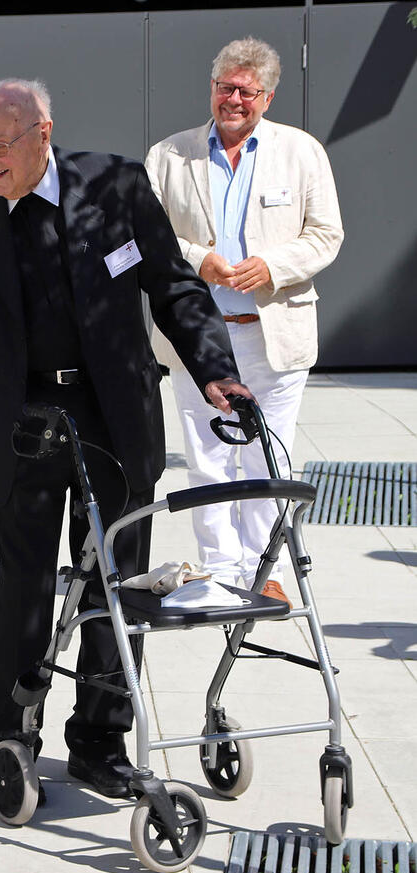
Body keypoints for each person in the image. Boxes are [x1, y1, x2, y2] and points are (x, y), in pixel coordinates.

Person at [0, 79, 251, 800]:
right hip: (21, 420)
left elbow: (172, 285)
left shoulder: (117, 186)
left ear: (43, 133)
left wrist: (216, 370)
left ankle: (100, 739)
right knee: (25, 583)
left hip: (112, 414)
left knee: (117, 583)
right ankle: (12, 731)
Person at [145, 37, 343, 606]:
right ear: (211, 87)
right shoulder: (170, 155)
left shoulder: (301, 152)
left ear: (268, 97)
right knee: (207, 458)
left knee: (267, 455)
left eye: (246, 92)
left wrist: (274, 266)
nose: (233, 100)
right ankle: (216, 569)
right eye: (224, 87)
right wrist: (196, 258)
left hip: (273, 331)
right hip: (196, 333)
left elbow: (326, 234)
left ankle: (262, 571)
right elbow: (147, 234)